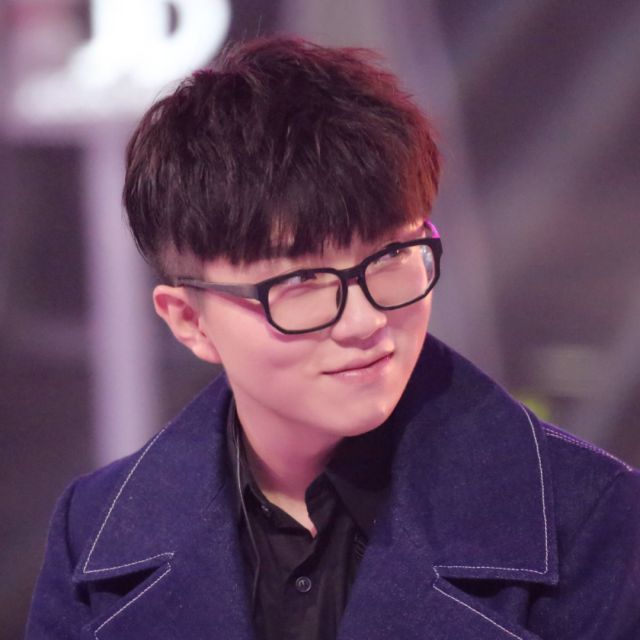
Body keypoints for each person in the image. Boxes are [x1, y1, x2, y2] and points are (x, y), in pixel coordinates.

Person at [26, 37, 640, 640]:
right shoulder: (94, 533)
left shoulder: (590, 520)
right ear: (190, 320)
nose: (364, 321)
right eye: (302, 282)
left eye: (393, 255)